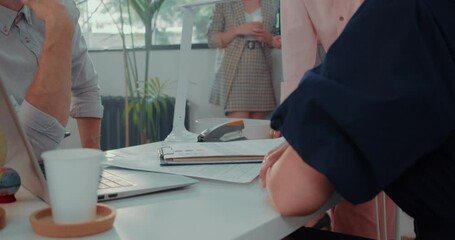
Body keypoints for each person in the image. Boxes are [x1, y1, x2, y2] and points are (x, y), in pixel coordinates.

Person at [261, 0, 455, 239]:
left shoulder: (404, 14)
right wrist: (299, 132)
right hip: (348, 99)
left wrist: (306, 134)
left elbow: (290, 193)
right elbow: (297, 52)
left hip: (361, 98)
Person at [271, 1, 397, 239]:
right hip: (341, 102)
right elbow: (297, 52)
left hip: (395, 88)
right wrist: (295, 132)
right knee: (345, 204)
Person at [0, 0, 103, 158]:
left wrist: (94, 163)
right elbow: (27, 149)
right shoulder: (59, 16)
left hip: (51, 168)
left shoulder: (55, 9)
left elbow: (85, 89)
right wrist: (59, 24)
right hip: (14, 173)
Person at [207, 0, 278, 119]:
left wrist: (269, 38)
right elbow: (212, 39)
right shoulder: (224, 3)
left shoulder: (270, 4)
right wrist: (238, 30)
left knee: (258, 131)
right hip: (235, 69)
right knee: (239, 129)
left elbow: (275, 39)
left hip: (261, 68)